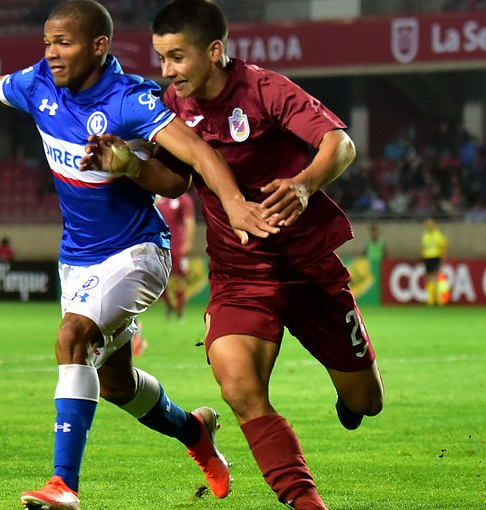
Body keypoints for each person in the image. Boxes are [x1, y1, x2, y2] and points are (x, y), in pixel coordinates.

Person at [0, 2, 279, 507]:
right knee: (116, 385)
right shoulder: (38, 83)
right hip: (78, 260)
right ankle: (194, 432)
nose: (52, 53)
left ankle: (63, 484)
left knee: (72, 338)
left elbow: (197, 152)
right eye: (47, 42)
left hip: (136, 251)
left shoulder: (129, 98)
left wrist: (236, 205)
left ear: (98, 45)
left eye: (63, 43)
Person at [81, 2, 383, 508]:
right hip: (240, 274)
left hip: (309, 269)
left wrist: (306, 186)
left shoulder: (265, 89)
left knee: (365, 402)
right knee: (240, 389)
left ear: (214, 51)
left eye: (177, 57)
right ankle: (307, 502)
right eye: (161, 58)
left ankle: (351, 397)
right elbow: (175, 179)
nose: (168, 71)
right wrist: (129, 165)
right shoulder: (172, 107)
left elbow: (340, 144)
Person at [155, 193, 196, 321]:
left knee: (180, 279)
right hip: (159, 245)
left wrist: (188, 243)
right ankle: (169, 305)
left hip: (177, 245)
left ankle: (179, 310)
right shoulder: (156, 197)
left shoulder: (183, 199)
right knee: (160, 280)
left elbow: (189, 220)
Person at [421, 217, 447, 306]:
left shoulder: (438, 234)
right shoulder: (425, 235)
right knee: (428, 278)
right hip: (427, 257)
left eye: (430, 224)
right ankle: (430, 300)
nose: (428, 226)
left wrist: (442, 258)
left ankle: (439, 299)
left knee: (436, 278)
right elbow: (423, 247)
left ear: (434, 224)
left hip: (436, 257)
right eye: (427, 224)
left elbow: (443, 247)